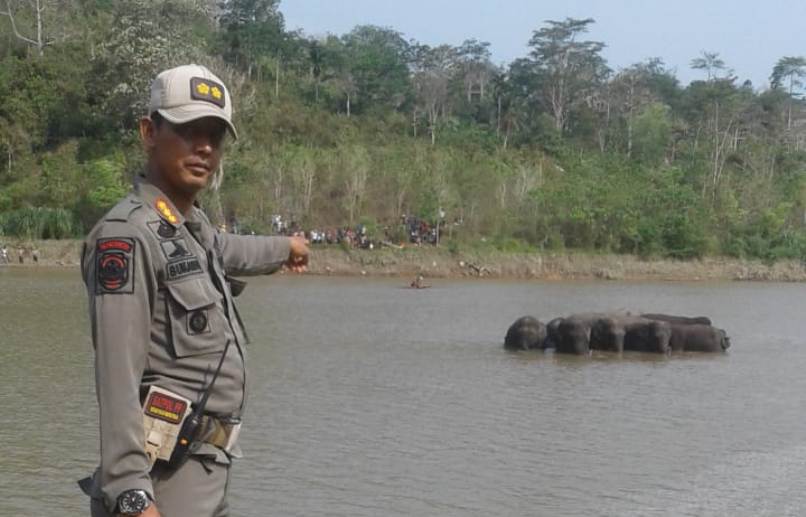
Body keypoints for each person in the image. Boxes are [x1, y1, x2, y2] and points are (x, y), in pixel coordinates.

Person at [79, 64, 309, 517]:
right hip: (163, 480)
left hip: (207, 470)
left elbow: (228, 250)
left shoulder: (189, 228)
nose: (204, 147)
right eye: (188, 130)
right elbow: (116, 375)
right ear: (149, 131)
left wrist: (286, 247)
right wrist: (130, 494)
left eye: (215, 135)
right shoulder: (126, 238)